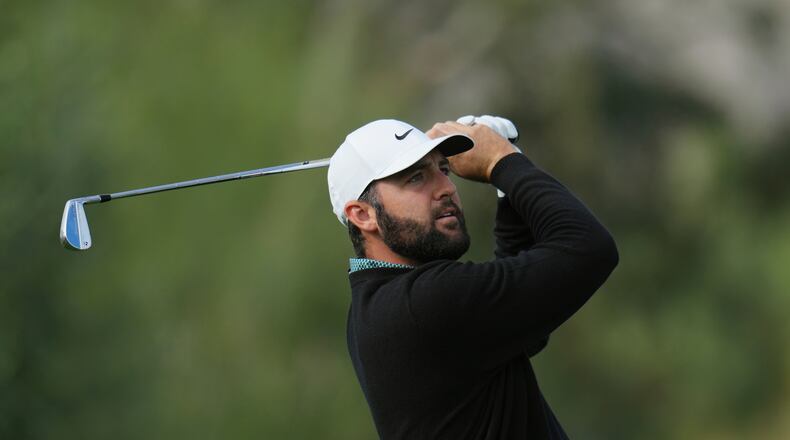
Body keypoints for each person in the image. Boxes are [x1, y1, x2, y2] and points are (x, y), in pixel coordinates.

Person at [326, 116, 618, 439]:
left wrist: (507, 189)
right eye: (416, 178)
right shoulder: (425, 302)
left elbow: (520, 323)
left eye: (443, 170)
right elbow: (588, 248)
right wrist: (502, 161)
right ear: (363, 215)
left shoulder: (374, 308)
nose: (447, 188)